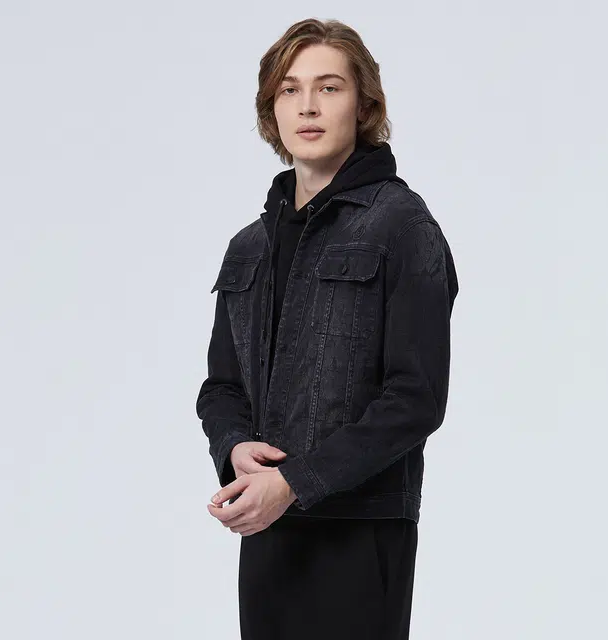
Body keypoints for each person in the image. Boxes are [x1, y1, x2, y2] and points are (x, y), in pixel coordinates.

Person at [195, 17, 459, 640]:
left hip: (361, 532)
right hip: (269, 531)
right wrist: (235, 449)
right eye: (289, 89)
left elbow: (416, 397)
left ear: (364, 105)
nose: (307, 106)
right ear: (272, 109)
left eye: (329, 87)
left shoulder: (403, 227)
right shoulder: (250, 246)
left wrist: (296, 482)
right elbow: (221, 387)